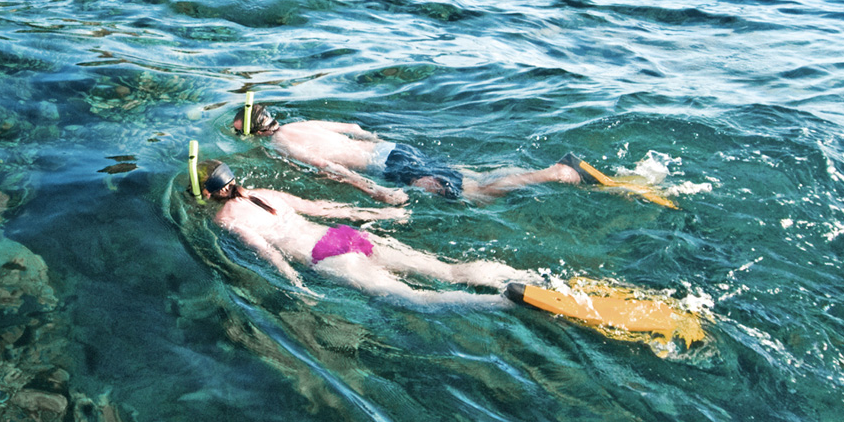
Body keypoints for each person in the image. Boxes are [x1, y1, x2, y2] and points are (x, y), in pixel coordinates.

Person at [194, 159, 532, 311]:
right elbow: (325, 208)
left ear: (206, 194)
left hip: (324, 257)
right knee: (448, 271)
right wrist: (381, 213)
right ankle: (521, 277)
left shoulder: (225, 218)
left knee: (414, 298)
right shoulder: (267, 193)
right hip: (343, 236)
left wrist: (293, 283)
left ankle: (500, 303)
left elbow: (265, 251)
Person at [230, 103, 588, 205]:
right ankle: (539, 173)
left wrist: (375, 191)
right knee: (472, 178)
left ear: (254, 133)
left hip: (386, 167)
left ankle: (555, 173)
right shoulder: (302, 123)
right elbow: (355, 130)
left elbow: (329, 167)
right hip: (394, 149)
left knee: (474, 196)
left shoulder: (281, 145)